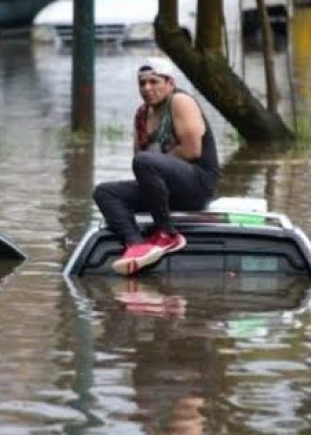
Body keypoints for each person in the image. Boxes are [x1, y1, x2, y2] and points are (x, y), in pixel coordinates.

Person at [92, 57, 220, 276]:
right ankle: (136, 244)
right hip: (161, 189)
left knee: (145, 161)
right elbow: (138, 160)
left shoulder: (180, 101)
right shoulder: (142, 115)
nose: (146, 88)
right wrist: (151, 170)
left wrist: (154, 163)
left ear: (169, 83)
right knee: (105, 193)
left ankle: (167, 233)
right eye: (142, 83)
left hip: (196, 185)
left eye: (154, 82)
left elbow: (192, 151)